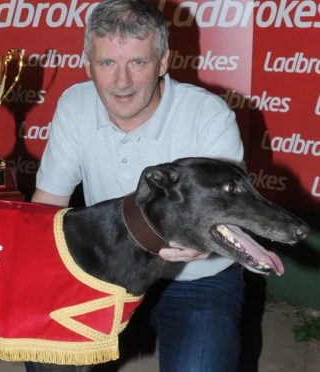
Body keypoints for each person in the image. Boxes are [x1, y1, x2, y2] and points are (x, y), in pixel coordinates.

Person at [32, 1, 245, 371]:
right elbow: (48, 204)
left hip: (197, 277)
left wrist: (201, 242)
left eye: (138, 62)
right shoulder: (75, 105)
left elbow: (228, 221)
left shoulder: (208, 117)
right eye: (107, 63)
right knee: (43, 353)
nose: (122, 82)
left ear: (162, 62)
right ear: (88, 65)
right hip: (107, 271)